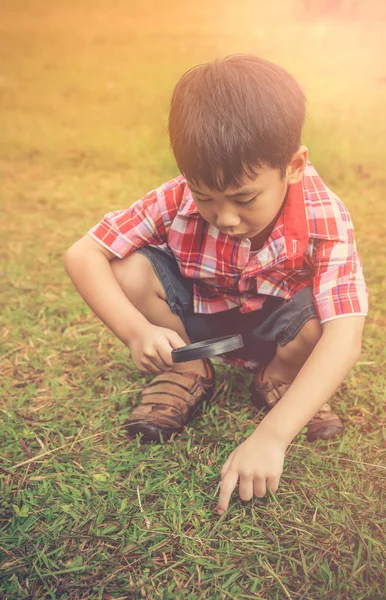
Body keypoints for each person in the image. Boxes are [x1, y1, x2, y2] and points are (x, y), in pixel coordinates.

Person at [64, 55, 368, 516]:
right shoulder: (175, 195)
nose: (224, 218)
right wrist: (136, 332)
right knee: (127, 269)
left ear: (294, 165)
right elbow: (83, 254)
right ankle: (186, 368)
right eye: (205, 196)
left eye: (245, 198)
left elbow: (347, 334)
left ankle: (280, 379)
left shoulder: (326, 216)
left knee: (323, 324)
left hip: (277, 331)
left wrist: (271, 437)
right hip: (199, 321)